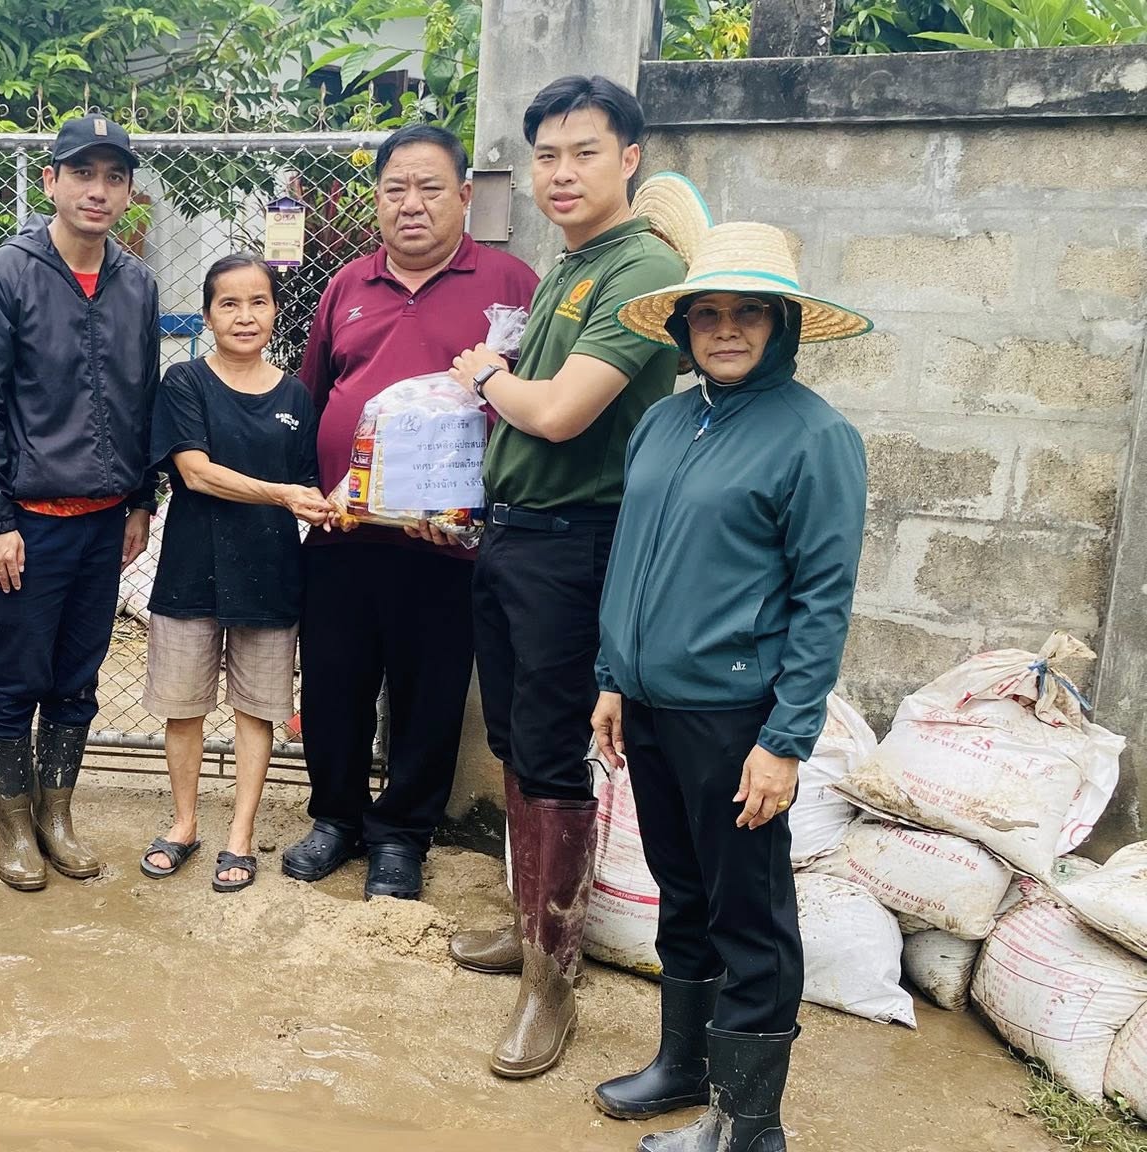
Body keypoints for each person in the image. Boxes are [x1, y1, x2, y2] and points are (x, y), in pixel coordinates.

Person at [589, 222, 868, 1151]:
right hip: (652, 706)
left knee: (748, 912)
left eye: (750, 312)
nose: (726, 329)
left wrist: (785, 740)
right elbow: (632, 558)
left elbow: (823, 600)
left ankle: (749, 1123)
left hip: (735, 715)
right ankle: (684, 1066)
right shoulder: (666, 422)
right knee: (682, 892)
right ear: (682, 329)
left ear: (784, 324)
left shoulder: (815, 437)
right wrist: (613, 679)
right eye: (706, 314)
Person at [446, 74, 688, 1079]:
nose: (560, 172)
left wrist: (483, 376)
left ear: (628, 158)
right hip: (515, 536)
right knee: (515, 737)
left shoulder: (640, 267)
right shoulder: (571, 263)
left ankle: (552, 983)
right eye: (545, 154)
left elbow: (556, 414)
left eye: (583, 152)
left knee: (550, 756)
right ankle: (528, 932)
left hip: (575, 541)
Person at [288, 122, 537, 901]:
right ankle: (335, 817)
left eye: (430, 188)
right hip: (344, 533)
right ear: (377, 200)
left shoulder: (511, 285)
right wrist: (314, 493)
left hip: (446, 542)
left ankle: (402, 835)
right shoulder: (347, 287)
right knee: (333, 682)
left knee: (430, 692)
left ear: (463, 196)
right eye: (395, 188)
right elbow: (314, 393)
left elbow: (533, 407)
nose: (412, 204)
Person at [0, 115, 159, 891]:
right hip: (29, 526)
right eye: (82, 173)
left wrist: (141, 500)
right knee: (17, 676)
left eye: (114, 177)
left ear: (128, 191)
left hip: (105, 522)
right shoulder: (2, 275)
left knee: (78, 675)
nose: (98, 191)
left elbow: (139, 398)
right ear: (51, 181)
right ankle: (12, 825)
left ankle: (56, 816)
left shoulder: (136, 283)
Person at [137, 254, 331, 892]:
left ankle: (240, 835)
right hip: (191, 570)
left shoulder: (297, 396)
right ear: (208, 315)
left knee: (256, 710)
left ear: (276, 311)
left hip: (271, 575)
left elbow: (310, 482)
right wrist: (282, 494)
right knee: (183, 708)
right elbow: (195, 473)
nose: (245, 316)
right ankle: (184, 824)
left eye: (258, 302)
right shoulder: (185, 381)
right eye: (229, 304)